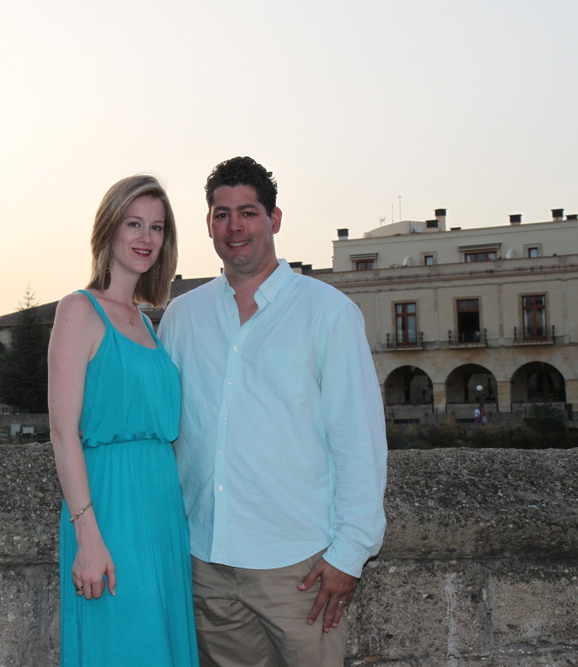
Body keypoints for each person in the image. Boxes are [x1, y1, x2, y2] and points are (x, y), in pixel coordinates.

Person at [159, 157, 387, 666]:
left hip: (299, 567)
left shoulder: (328, 313)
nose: (234, 227)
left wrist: (350, 553)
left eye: (248, 212)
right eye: (221, 214)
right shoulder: (182, 317)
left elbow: (358, 439)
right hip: (207, 563)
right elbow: (169, 431)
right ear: (208, 224)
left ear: (274, 219)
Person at [48, 174, 198, 666]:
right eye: (133, 223)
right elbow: (62, 432)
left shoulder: (148, 323)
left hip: (162, 511)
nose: (145, 237)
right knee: (125, 645)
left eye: (157, 227)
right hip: (111, 508)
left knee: (163, 643)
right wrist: (88, 537)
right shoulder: (79, 310)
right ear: (109, 229)